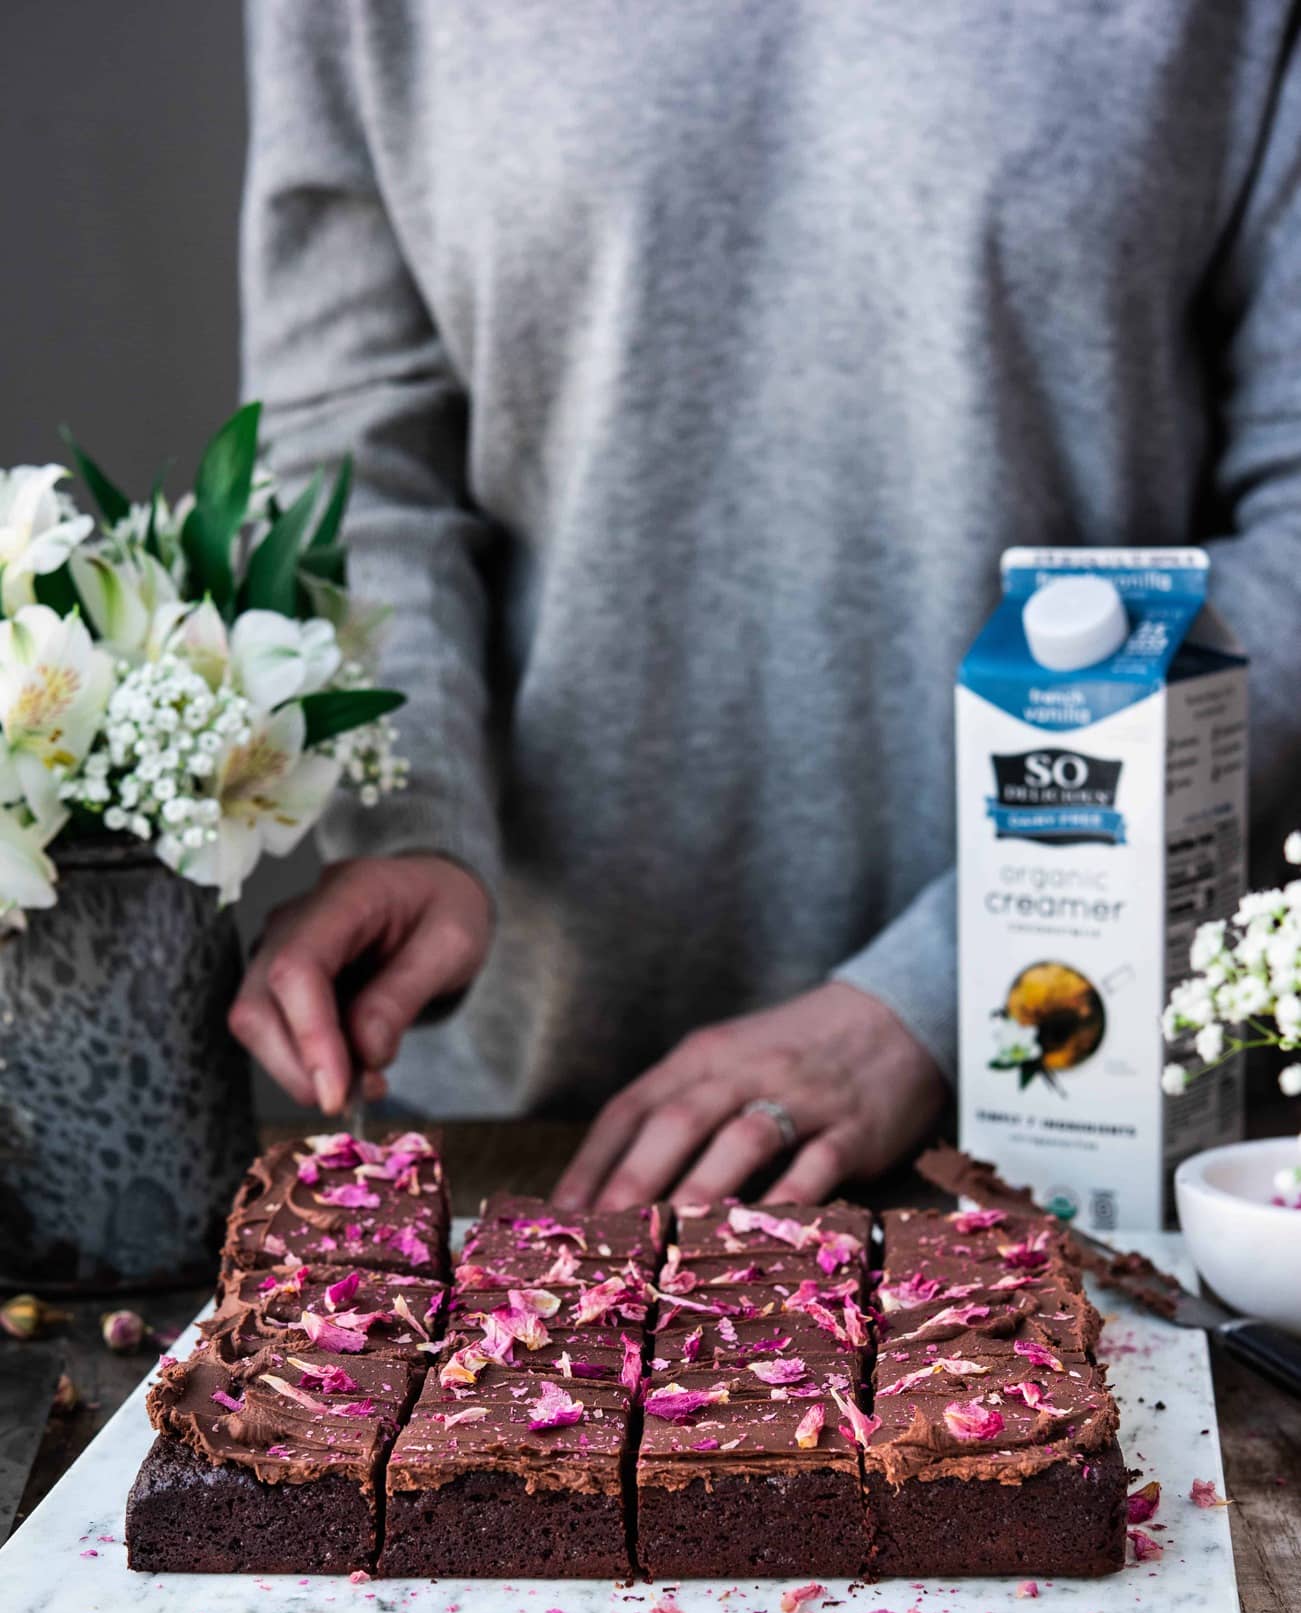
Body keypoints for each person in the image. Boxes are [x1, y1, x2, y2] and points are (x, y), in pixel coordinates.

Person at [230, 0, 1301, 1211]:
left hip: (1079, 1124)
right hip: (525, 1142)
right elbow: (350, 446)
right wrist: (410, 813)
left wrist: (944, 989)